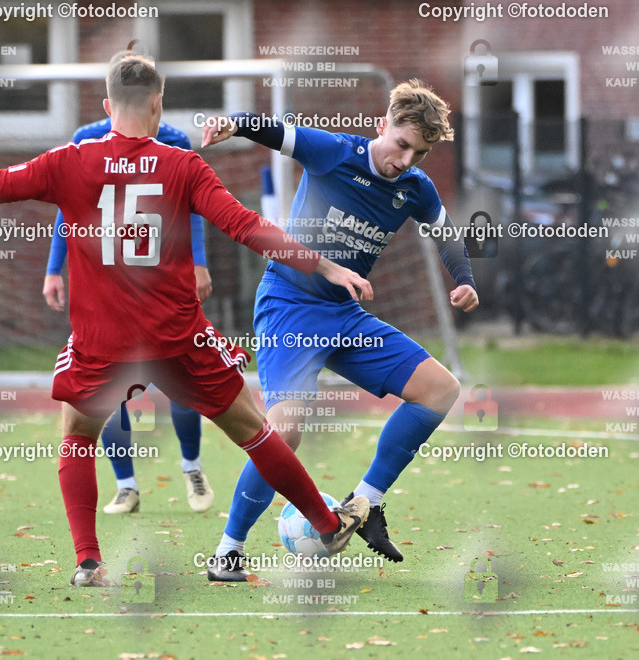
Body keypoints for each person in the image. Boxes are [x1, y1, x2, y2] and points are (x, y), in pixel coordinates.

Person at [0, 44, 372, 588]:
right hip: (177, 339)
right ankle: (326, 525)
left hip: (101, 343)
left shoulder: (70, 160)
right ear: (158, 105)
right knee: (254, 432)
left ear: (107, 108)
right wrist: (324, 264)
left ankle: (89, 563)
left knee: (77, 438)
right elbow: (248, 227)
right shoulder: (183, 164)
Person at [200, 79, 479, 581]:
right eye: (401, 145)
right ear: (382, 125)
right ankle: (228, 551)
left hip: (345, 317)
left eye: (418, 153)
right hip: (289, 306)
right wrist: (233, 123)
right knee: (285, 430)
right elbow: (277, 132)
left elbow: (446, 235)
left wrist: (464, 280)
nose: (405, 160)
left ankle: (365, 503)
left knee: (441, 389)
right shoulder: (333, 152)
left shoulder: (416, 188)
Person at [43, 119, 214, 515]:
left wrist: (199, 263)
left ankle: (192, 468)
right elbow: (67, 209)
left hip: (163, 284)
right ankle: (126, 486)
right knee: (112, 387)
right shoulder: (86, 139)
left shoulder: (173, 140)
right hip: (108, 289)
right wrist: (55, 268)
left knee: (180, 381)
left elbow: (192, 207)